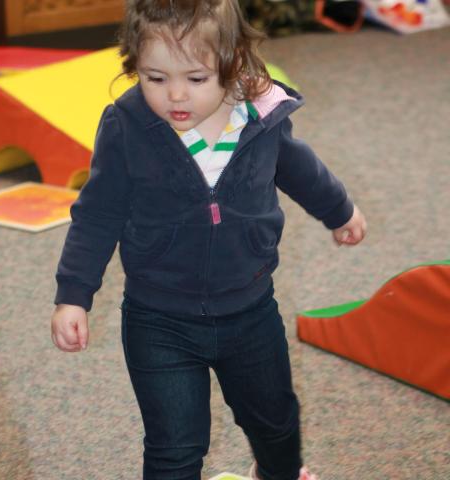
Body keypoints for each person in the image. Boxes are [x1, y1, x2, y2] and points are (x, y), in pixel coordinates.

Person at [51, 1, 367, 479]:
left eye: (196, 78)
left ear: (232, 62)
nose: (175, 94)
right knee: (174, 448)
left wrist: (339, 210)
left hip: (250, 310)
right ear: (134, 64)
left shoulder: (261, 117)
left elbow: (299, 168)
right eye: (155, 78)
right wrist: (73, 295)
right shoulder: (127, 126)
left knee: (276, 423)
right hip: (159, 320)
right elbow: (97, 214)